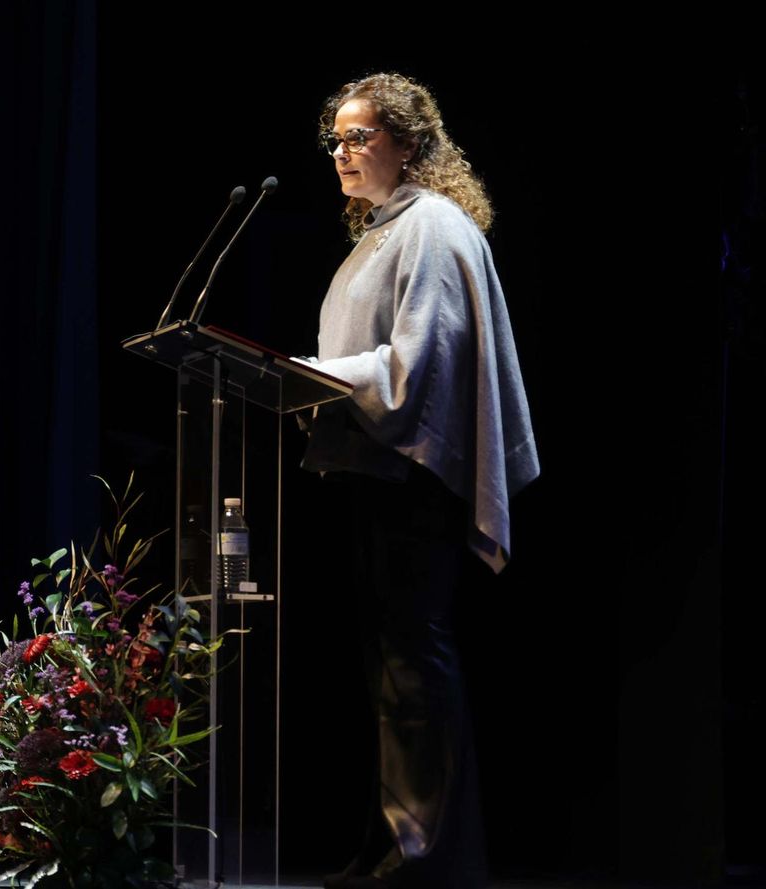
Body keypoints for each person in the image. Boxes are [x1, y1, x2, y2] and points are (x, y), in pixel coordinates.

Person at [299, 73, 540, 889]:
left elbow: (419, 364)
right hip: (379, 472)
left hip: (414, 479)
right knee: (389, 670)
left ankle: (426, 861)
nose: (343, 150)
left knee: (412, 664)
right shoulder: (381, 230)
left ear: (409, 143)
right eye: (336, 137)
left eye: (361, 135)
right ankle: (393, 850)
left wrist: (313, 374)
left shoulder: (431, 226)